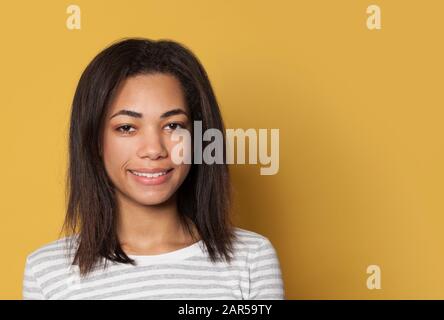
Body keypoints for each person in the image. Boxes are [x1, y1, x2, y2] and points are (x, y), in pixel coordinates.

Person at [22, 37, 285, 300]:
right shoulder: (47, 272)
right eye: (126, 127)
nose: (154, 149)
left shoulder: (251, 258)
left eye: (173, 125)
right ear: (95, 141)